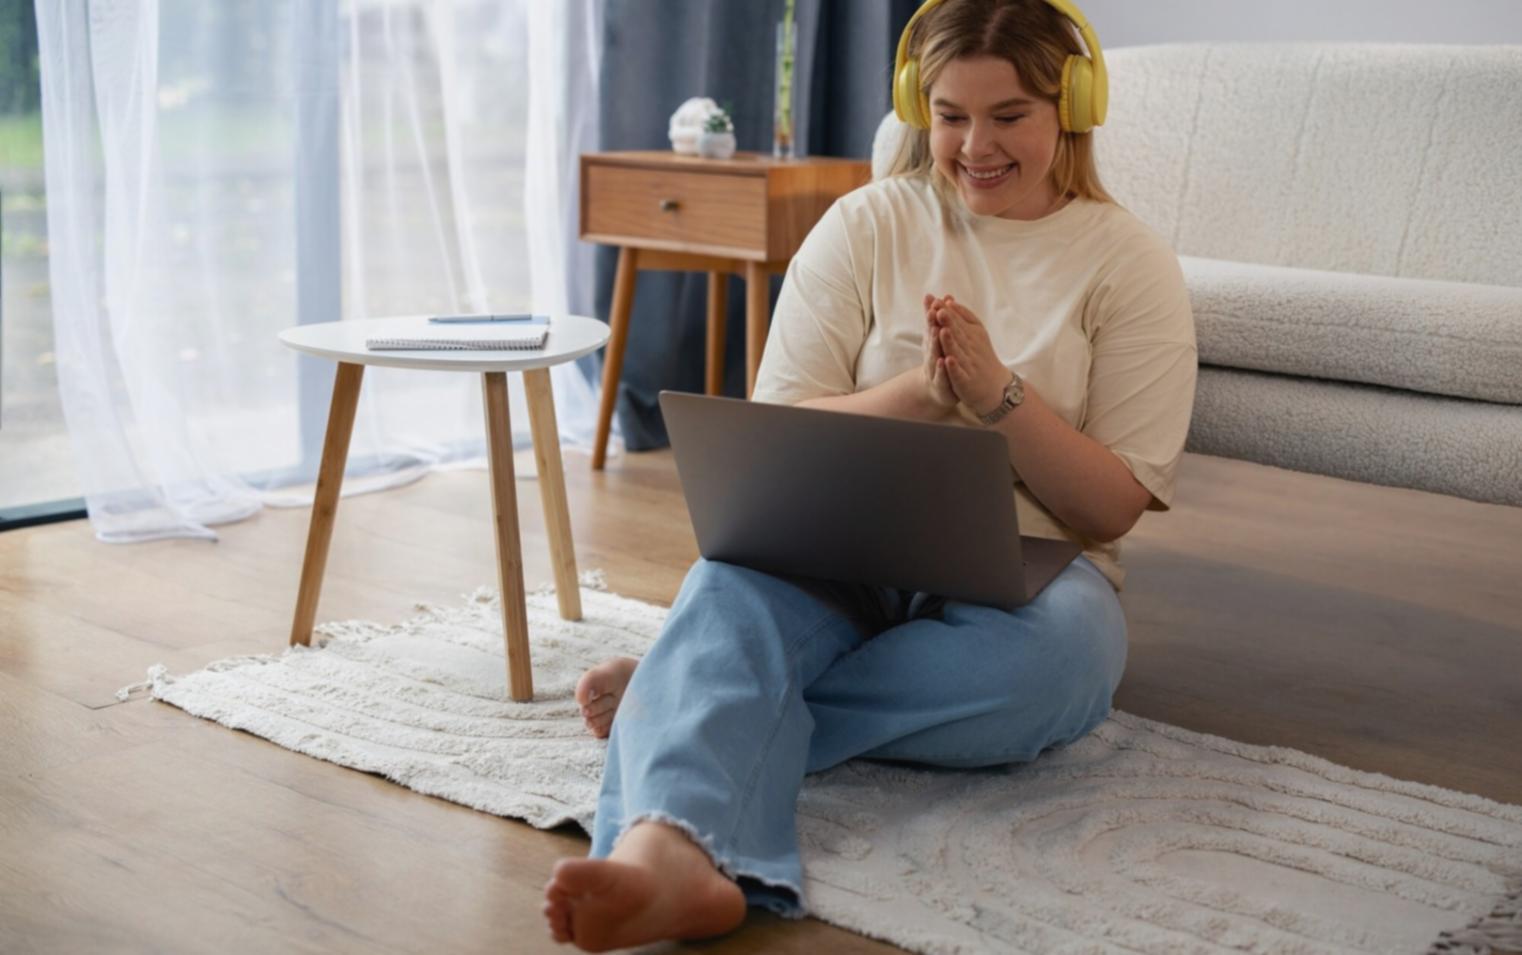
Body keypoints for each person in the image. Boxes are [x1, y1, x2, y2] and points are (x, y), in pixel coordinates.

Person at [543, 0, 1196, 949]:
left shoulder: (1126, 262)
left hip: (1031, 570)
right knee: (726, 586)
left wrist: (999, 398)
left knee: (1066, 667)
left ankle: (688, 693)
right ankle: (666, 847)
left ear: (1074, 108)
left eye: (1009, 115)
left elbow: (1108, 505)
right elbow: (781, 434)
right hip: (839, 541)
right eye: (950, 114)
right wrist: (926, 397)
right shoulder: (866, 222)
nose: (975, 145)